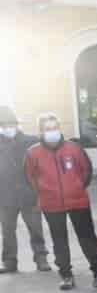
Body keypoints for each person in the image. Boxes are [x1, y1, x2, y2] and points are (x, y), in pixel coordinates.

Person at [23, 113, 97, 290]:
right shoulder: (33, 153)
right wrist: (43, 192)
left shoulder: (74, 148)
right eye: (48, 129)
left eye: (54, 128)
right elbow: (29, 177)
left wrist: (77, 187)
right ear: (41, 131)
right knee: (59, 240)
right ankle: (66, 276)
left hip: (78, 201)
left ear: (59, 128)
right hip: (51, 204)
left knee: (87, 238)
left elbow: (86, 171)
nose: (52, 132)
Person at [0, 105, 50, 274]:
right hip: (5, 195)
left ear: (16, 124)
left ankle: (41, 259)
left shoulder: (31, 141)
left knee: (35, 228)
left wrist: (39, 188)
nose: (8, 128)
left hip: (29, 194)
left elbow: (42, 165)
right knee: (7, 231)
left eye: (11, 124)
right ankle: (9, 262)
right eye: (4, 125)